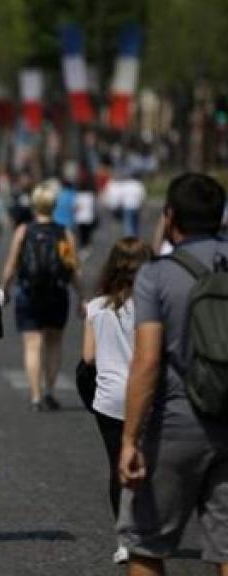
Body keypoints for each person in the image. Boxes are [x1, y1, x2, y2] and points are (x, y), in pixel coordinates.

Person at [118, 173, 228, 575]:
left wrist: (129, 439)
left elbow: (147, 361)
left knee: (147, 545)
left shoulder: (157, 274)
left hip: (177, 424)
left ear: (169, 217)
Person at [79, 237, 152, 565]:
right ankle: (149, 531)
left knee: (116, 466)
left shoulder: (97, 307)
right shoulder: (153, 305)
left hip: (109, 398)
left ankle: (124, 538)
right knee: (148, 463)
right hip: (148, 396)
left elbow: (88, 357)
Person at [1, 179, 85, 412]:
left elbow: (11, 264)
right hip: (57, 293)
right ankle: (50, 390)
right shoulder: (63, 233)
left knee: (32, 344)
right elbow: (73, 267)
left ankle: (35, 396)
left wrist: (5, 289)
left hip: (28, 292)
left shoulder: (23, 231)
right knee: (54, 342)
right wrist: (81, 296)